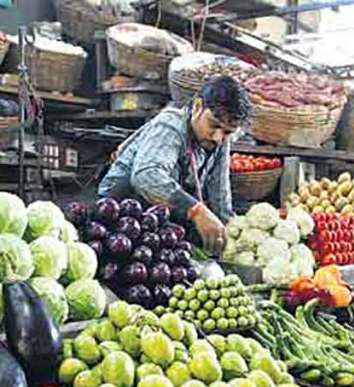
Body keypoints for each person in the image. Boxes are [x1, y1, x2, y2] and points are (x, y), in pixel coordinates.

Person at [98, 75, 252, 255]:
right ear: (197, 107)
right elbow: (146, 176)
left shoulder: (220, 141)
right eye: (214, 125)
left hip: (157, 220)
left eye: (227, 132)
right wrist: (196, 210)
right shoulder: (170, 125)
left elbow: (219, 194)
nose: (219, 137)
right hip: (120, 216)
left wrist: (232, 237)